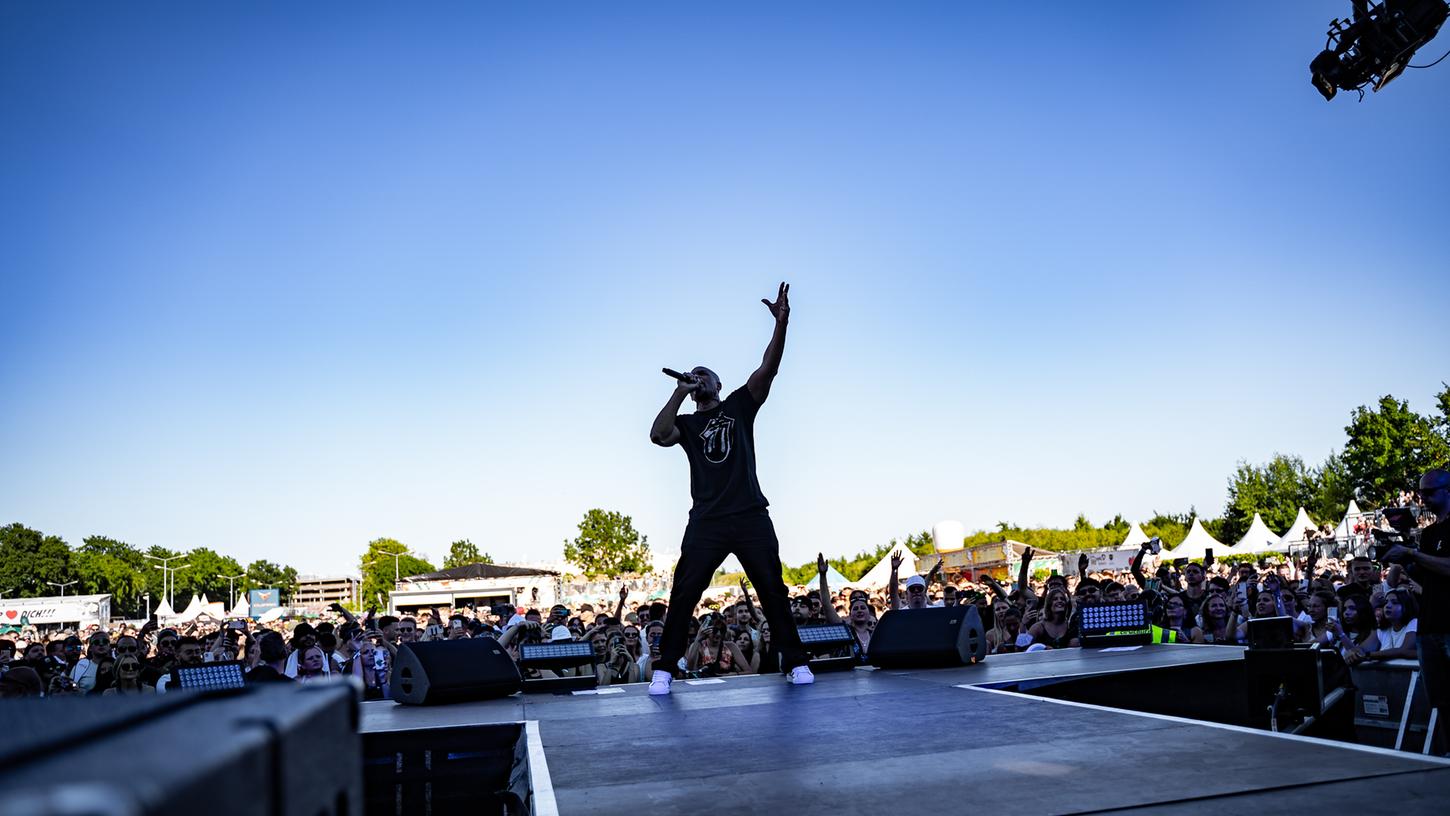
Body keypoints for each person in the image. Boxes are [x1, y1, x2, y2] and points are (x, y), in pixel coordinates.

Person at [646, 282, 810, 695]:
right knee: (685, 590)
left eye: (705, 374)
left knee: (772, 588)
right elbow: (656, 434)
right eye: (694, 374)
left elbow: (768, 370)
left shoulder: (739, 404)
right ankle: (666, 668)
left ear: (718, 383)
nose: (698, 377)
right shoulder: (687, 422)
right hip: (707, 520)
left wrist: (782, 325)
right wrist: (678, 392)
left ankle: (795, 661)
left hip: (750, 514)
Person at [1387, 468, 1450, 748]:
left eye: (1429, 492)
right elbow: (1422, 577)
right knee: (1442, 699)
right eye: (1421, 492)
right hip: (1429, 625)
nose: (1422, 497)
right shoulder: (1428, 534)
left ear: (1447, 490)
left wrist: (1413, 554)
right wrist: (1399, 556)